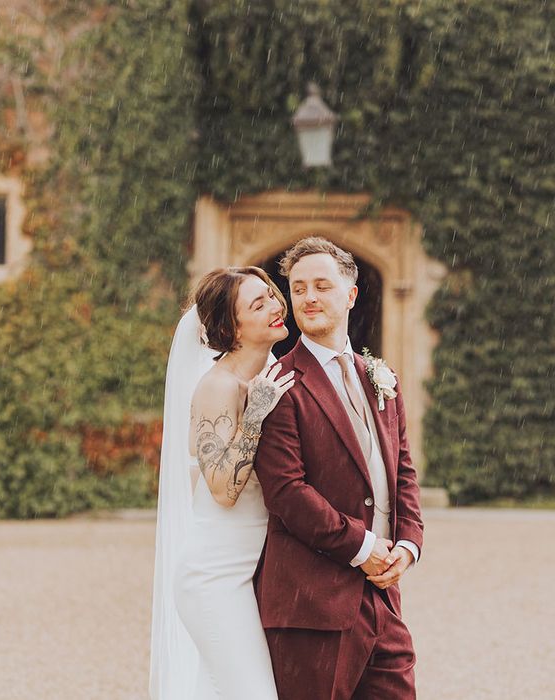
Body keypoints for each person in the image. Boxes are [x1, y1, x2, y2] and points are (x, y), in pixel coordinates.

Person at [253, 237, 424, 699]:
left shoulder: (379, 376)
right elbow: (287, 492)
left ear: (350, 294)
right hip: (311, 605)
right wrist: (362, 546)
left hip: (383, 598)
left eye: (321, 286)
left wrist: (407, 544)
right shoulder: (279, 385)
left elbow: (402, 469)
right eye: (299, 287)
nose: (308, 297)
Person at [149, 266, 294, 700]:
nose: (275, 305)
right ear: (232, 329)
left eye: (270, 294)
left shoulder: (269, 372)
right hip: (212, 579)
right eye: (258, 303)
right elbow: (222, 491)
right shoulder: (218, 386)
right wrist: (255, 415)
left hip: (247, 574)